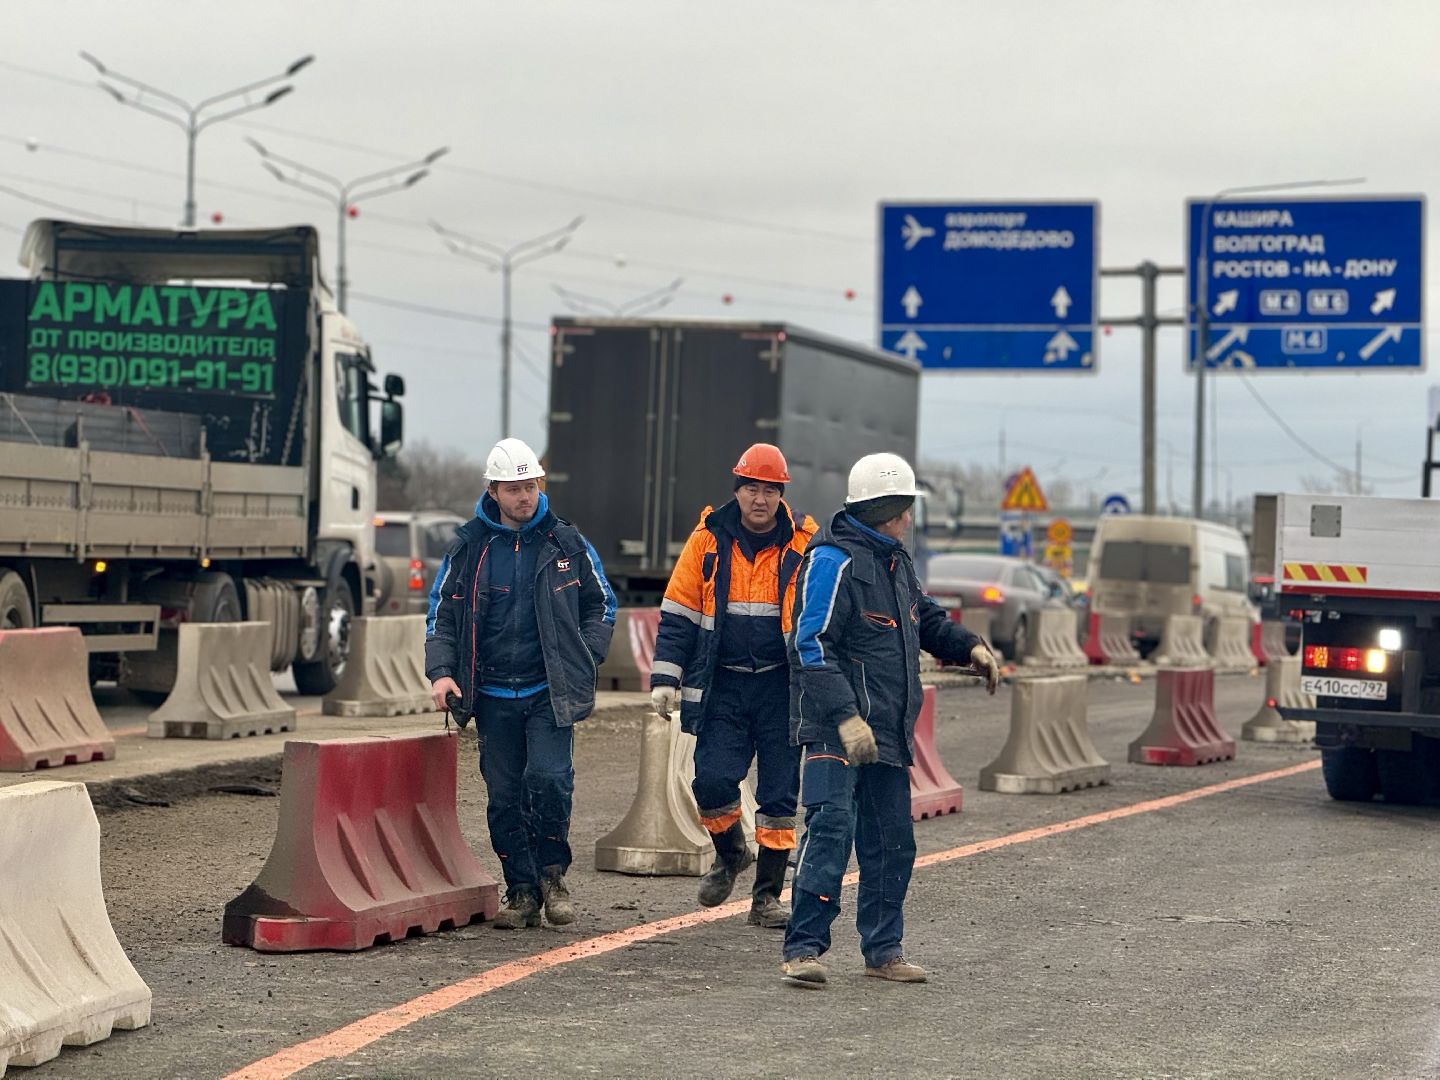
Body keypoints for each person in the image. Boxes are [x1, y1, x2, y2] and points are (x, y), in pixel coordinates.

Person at [781, 452, 1000, 986]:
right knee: (830, 829)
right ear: (884, 508)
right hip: (838, 732)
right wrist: (845, 717)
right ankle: (804, 949)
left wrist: (968, 646)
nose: (909, 518)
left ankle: (883, 951)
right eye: (904, 508)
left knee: (892, 842)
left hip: (889, 736)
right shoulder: (832, 561)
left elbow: (924, 619)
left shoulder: (896, 562)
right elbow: (809, 644)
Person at [425, 437, 616, 930]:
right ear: (493, 491)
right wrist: (441, 672)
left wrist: (584, 658)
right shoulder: (469, 547)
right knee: (504, 795)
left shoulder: (566, 543)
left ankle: (554, 878)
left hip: (548, 693)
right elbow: (442, 617)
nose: (524, 497)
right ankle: (523, 890)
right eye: (513, 488)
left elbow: (602, 606)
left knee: (550, 780)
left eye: (530, 486)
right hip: (490, 695)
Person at [650, 443, 817, 927]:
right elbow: (678, 614)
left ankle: (767, 898)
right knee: (712, 782)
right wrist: (666, 678)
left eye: (769, 490)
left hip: (781, 689)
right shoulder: (706, 541)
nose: (759, 499)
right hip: (722, 687)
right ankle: (729, 855)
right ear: (737, 491)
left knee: (780, 799)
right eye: (751, 488)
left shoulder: (804, 545)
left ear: (781, 494)